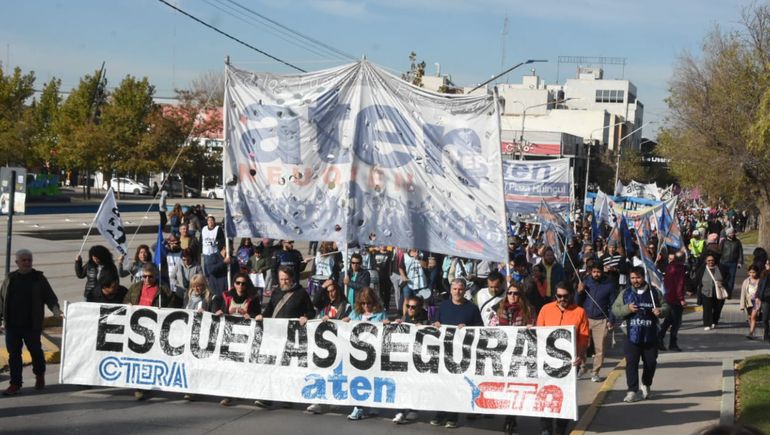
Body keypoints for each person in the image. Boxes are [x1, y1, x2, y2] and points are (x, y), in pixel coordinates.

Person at [0, 249, 62, 395]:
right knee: (14, 355)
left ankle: (39, 374)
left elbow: (50, 297)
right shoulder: (10, 279)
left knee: (36, 352)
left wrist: (56, 311)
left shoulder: (39, 278)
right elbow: (2, 301)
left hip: (32, 325)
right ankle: (15, 384)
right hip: (12, 326)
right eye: (24, 260)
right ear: (17, 262)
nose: (27, 263)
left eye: (29, 260)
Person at [254, 266, 315, 408]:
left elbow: (311, 312)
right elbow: (269, 309)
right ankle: (267, 397)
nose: (284, 282)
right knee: (270, 367)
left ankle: (287, 397)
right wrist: (262, 316)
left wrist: (305, 317)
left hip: (291, 337)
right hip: (274, 336)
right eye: (282, 279)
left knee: (287, 369)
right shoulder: (276, 292)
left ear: (292, 278)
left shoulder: (301, 293)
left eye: (286, 279)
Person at [536, 281, 589, 435]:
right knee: (545, 393)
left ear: (571, 295)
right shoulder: (545, 309)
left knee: (564, 395)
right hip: (547, 361)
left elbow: (584, 338)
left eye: (565, 296)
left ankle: (560, 428)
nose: (562, 299)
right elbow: (539, 333)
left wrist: (579, 355)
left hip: (570, 363)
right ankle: (546, 427)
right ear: (555, 295)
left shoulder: (580, 312)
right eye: (559, 296)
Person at [430, 279, 483, 429]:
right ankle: (440, 413)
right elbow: (435, 322)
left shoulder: (472, 308)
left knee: (456, 385)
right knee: (442, 385)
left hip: (462, 354)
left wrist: (467, 328)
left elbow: (480, 328)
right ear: (451, 290)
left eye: (460, 289)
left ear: (464, 290)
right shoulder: (444, 306)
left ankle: (452, 416)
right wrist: (436, 324)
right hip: (443, 352)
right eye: (454, 289)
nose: (457, 292)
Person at [612, 266, 669, 403]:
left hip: (650, 335)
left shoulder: (654, 292)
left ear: (643, 277)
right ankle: (632, 391)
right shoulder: (625, 293)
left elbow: (666, 307)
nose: (635, 280)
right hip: (631, 335)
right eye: (632, 278)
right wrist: (627, 308)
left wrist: (660, 311)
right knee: (631, 363)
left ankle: (646, 384)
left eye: (638, 277)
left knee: (650, 363)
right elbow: (615, 310)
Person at [211, 272, 261, 406]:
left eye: (243, 283)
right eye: (237, 283)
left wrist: (251, 315)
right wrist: (218, 310)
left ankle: (240, 390)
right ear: (234, 284)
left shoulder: (253, 297)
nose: (240, 286)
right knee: (228, 366)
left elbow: (258, 313)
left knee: (242, 367)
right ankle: (228, 394)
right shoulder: (226, 295)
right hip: (228, 336)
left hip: (245, 336)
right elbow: (215, 302)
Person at [343, 287, 387, 421]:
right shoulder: (355, 313)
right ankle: (358, 408)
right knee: (359, 380)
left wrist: (386, 324)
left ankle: (373, 404)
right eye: (363, 303)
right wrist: (344, 322)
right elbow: (347, 326)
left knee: (373, 378)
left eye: (369, 303)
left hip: (373, 352)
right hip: (357, 352)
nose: (366, 306)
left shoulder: (380, 314)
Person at [577, 262, 617, 382]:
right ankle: (582, 367)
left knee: (600, 349)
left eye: (598, 272)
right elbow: (577, 302)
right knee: (583, 346)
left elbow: (613, 304)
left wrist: (611, 319)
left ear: (602, 271)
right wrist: (579, 292)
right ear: (591, 272)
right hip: (586, 319)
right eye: (594, 272)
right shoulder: (586, 282)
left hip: (601, 320)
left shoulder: (609, 285)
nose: (596, 274)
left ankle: (595, 372)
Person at [391, 295, 428, 424]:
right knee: (402, 384)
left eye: (413, 307)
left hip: (418, 358)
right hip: (404, 356)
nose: (410, 309)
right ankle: (400, 410)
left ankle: (413, 409)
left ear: (419, 308)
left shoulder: (425, 319)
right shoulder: (405, 318)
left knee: (415, 384)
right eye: (408, 306)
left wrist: (423, 327)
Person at [659, 252, 687, 351]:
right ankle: (672, 343)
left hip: (668, 297)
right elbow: (680, 284)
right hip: (675, 299)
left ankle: (660, 339)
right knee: (675, 322)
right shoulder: (680, 269)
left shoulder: (669, 267)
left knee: (668, 320)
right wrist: (681, 299)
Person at [697, 255, 729, 330]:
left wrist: (723, 283)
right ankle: (707, 323)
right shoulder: (702, 269)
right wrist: (690, 289)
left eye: (712, 260)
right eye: (709, 260)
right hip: (706, 291)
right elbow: (697, 279)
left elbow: (728, 277)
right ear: (706, 261)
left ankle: (714, 321)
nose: (711, 262)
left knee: (718, 308)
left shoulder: (721, 268)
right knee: (707, 308)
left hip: (718, 291)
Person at [719, 228, 743, 297]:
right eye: (730, 233)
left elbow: (740, 253)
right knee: (723, 278)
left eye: (732, 233)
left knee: (731, 278)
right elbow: (719, 251)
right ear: (727, 234)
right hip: (723, 262)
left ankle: (729, 293)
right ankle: (723, 292)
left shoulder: (737, 242)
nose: (732, 234)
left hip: (733, 263)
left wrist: (740, 262)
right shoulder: (723, 241)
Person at [739, 265, 761, 339]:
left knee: (753, 316)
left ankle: (751, 333)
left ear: (757, 272)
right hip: (748, 302)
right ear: (748, 272)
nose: (752, 274)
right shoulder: (746, 281)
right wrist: (742, 305)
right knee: (749, 317)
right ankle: (752, 330)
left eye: (753, 272)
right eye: (750, 272)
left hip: (757, 301)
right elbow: (743, 293)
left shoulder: (760, 281)